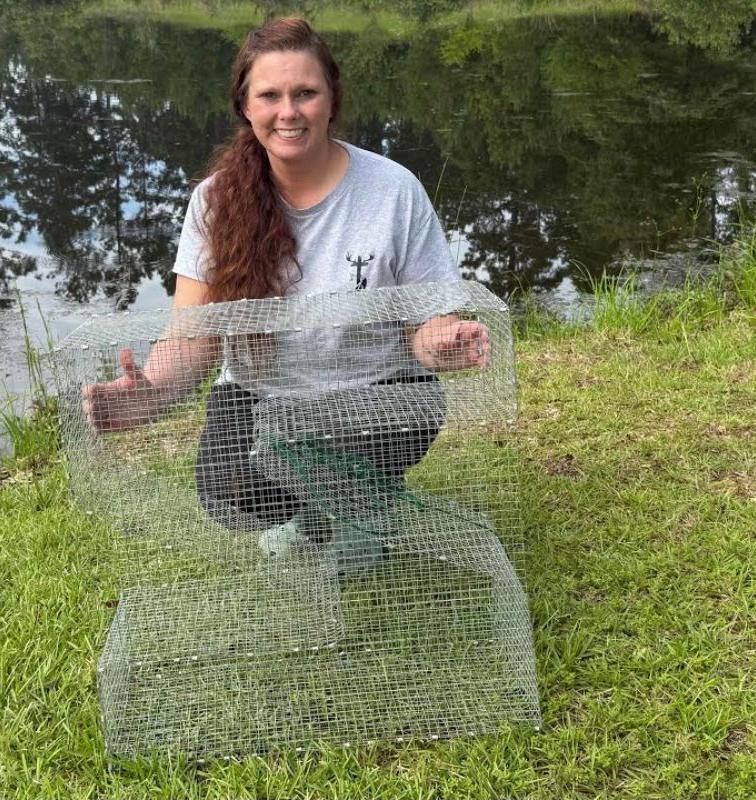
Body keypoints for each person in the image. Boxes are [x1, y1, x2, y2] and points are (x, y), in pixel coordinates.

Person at [82, 17, 489, 568]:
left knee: (368, 438)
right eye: (269, 95)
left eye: (306, 93)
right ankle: (312, 512)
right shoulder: (213, 201)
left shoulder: (394, 190)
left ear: (331, 100)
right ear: (245, 107)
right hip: (263, 394)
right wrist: (148, 392)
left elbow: (427, 322)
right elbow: (195, 339)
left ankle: (359, 513)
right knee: (229, 495)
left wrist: (442, 340)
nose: (288, 112)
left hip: (374, 388)